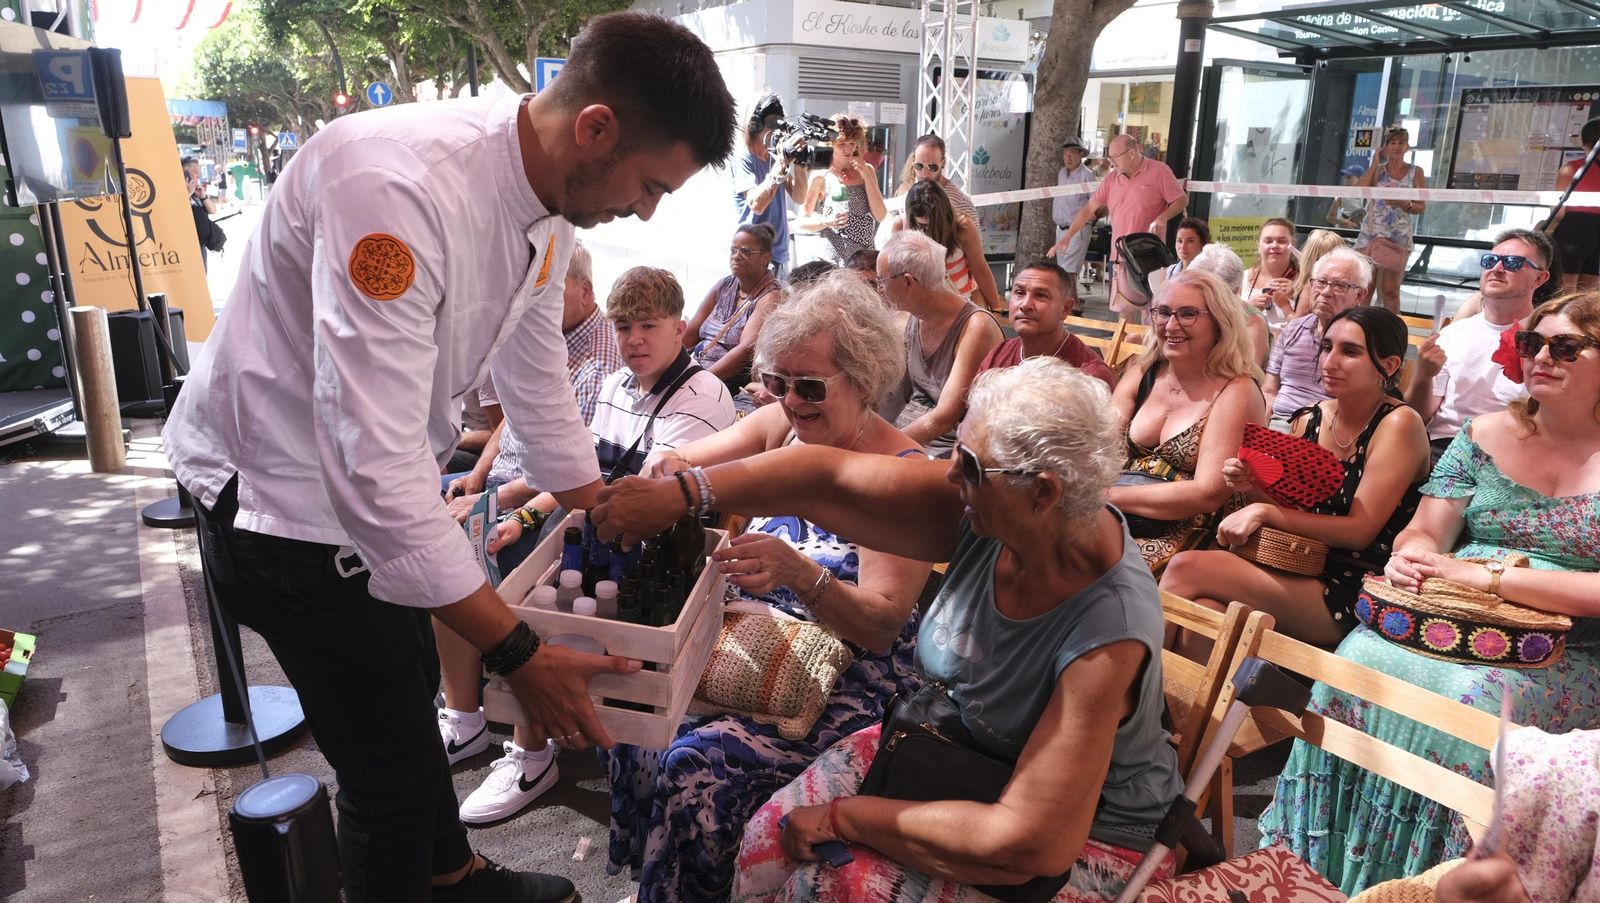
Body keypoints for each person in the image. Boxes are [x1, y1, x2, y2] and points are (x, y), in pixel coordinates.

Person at [160, 13, 737, 901]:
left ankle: (452, 873)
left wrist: (600, 498)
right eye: (651, 184)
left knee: (413, 678)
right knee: (386, 769)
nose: (646, 210)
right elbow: (377, 472)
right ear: (596, 128)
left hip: (367, 489)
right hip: (281, 507)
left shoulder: (546, 207)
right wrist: (519, 653)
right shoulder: (393, 186)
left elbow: (536, 375)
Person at [589, 357, 1184, 903]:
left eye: (968, 465)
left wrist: (847, 817)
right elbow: (824, 474)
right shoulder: (1002, 505)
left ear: (1044, 491)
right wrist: (683, 492)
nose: (949, 474)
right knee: (765, 844)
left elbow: (1026, 844)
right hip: (954, 748)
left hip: (1090, 833)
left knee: (827, 883)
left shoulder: (1107, 632)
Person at [603, 272, 931, 902]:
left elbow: (882, 624)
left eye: (809, 387)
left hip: (847, 671)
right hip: (749, 643)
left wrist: (800, 574)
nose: (790, 400)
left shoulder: (897, 478)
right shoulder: (784, 428)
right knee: (636, 708)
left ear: (863, 380)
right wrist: (670, 467)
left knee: (696, 766)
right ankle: (663, 871)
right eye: (777, 383)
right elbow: (696, 462)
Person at [1258, 293, 1600, 895]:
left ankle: (1428, 880)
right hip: (1449, 612)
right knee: (1357, 659)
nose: (1542, 356)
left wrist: (1490, 578)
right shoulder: (1485, 433)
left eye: (1566, 346)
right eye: (1532, 343)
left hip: (1568, 643)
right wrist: (1413, 552)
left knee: (1472, 695)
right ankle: (1321, 861)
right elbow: (1428, 527)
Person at [440, 267, 735, 825]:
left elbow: (642, 504)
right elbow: (584, 477)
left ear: (679, 327)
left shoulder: (703, 395)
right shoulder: (613, 384)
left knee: (537, 598)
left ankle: (531, 758)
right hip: (593, 530)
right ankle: (464, 717)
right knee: (453, 558)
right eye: (624, 327)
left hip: (655, 557)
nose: (635, 340)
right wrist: (521, 512)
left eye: (648, 325)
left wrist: (537, 521)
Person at [1161, 306, 1429, 646]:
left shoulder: (1398, 424)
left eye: (1350, 352)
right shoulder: (1311, 418)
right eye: (1327, 347)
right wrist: (1253, 487)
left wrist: (1265, 510)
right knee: (1206, 613)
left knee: (1187, 568)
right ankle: (1207, 700)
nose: (1330, 362)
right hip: (1298, 563)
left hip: (1358, 585)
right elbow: (1296, 512)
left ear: (1389, 366)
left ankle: (1131, 689)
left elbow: (1360, 533)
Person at [443, 242, 620, 522]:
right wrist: (477, 476)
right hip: (496, 481)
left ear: (584, 291)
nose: (531, 301)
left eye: (547, 291)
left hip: (528, 503)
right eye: (529, 289)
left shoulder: (598, 369)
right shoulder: (547, 333)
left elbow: (567, 469)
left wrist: (484, 499)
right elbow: (512, 414)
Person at [1108, 270, 1266, 573]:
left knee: (1101, 569)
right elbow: (1099, 448)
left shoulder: (1236, 390)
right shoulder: (1144, 373)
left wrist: (1107, 496)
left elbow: (1208, 493)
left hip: (1195, 531)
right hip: (1121, 516)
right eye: (1163, 312)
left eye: (1188, 314)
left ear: (1220, 322)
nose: (1171, 325)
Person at [1405, 229, 1551, 460]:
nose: (1497, 268)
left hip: (1513, 450)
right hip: (1445, 446)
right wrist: (1423, 376)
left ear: (1540, 278)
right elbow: (1417, 416)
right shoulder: (1453, 334)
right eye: (1490, 260)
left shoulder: (1547, 342)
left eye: (1512, 262)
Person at [875, 230, 1004, 453]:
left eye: (881, 280)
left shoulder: (975, 328)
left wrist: (880, 450)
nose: (879, 289)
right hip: (907, 437)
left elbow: (944, 418)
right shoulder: (911, 318)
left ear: (907, 283)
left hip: (947, 451)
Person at [1050, 133, 1189, 323]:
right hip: (1121, 257)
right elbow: (1089, 209)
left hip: (1150, 256)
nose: (1111, 161)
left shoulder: (1159, 171)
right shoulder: (1112, 179)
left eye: (1115, 156)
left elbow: (1181, 200)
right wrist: (1068, 236)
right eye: (1110, 156)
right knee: (1124, 312)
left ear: (1132, 153)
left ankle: (1149, 351)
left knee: (1152, 312)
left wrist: (1162, 218)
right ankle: (1127, 352)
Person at [1262, 248, 1374, 424]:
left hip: (1329, 431)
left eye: (1339, 285)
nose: (1326, 291)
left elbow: (1365, 404)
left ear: (1359, 295)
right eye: (1321, 282)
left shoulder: (1367, 339)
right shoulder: (1293, 330)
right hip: (1277, 424)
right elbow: (1269, 390)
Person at [977, 259, 1115, 388]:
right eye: (1019, 293)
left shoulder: (1090, 376)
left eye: (1041, 295)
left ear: (1066, 308)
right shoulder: (999, 355)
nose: (1025, 305)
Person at [684, 224, 784, 393]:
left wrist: (700, 380)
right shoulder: (725, 285)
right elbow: (690, 333)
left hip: (727, 385)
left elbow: (745, 351)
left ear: (766, 258)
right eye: (733, 250)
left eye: (746, 252)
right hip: (698, 372)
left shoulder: (770, 296)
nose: (736, 256)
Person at [894, 180, 1003, 314]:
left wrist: (996, 309)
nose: (927, 230)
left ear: (944, 216)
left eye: (932, 224)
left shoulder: (963, 228)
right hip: (919, 311)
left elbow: (980, 269)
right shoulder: (901, 226)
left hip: (959, 308)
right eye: (921, 225)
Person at [733, 93, 809, 278]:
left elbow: (799, 197)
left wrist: (799, 164)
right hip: (753, 256)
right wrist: (782, 164)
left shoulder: (775, 156)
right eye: (771, 124)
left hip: (779, 254)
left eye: (779, 123)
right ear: (754, 125)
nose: (776, 130)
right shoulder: (744, 158)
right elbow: (756, 205)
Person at [1353, 126, 1427, 313]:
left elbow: (1421, 206)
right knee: (1365, 286)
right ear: (1386, 147)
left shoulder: (1415, 172)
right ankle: (1360, 326)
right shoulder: (1378, 170)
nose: (1396, 146)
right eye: (1392, 142)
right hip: (1371, 233)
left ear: (1407, 147)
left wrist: (1403, 203)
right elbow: (1358, 190)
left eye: (1401, 143)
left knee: (1390, 289)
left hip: (1398, 236)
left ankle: (1391, 332)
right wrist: (1374, 162)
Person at [797, 115, 887, 264]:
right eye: (841, 144)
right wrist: (827, 221)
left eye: (852, 143)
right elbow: (801, 222)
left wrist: (865, 174)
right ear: (830, 144)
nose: (848, 149)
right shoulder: (820, 175)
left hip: (863, 257)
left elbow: (881, 215)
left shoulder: (867, 170)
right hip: (832, 258)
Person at [1544, 116, 1600, 292]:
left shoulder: (1571, 169)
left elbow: (1558, 212)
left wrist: (1545, 230)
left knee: (1565, 290)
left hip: (1574, 230)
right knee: (1587, 293)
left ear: (1583, 142)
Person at [894, 132, 979, 223]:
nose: (925, 174)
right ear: (913, 161)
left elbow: (973, 236)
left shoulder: (959, 203)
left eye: (932, 167)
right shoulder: (907, 196)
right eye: (919, 166)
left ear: (943, 163)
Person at [1053, 137, 1097, 298]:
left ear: (1080, 155)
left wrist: (1089, 219)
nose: (1068, 158)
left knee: (1069, 269)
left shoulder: (1087, 176)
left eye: (1072, 154)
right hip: (1061, 228)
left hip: (1078, 228)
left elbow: (1095, 202)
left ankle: (1070, 303)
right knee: (1063, 269)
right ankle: (1071, 302)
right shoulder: (1061, 174)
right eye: (1065, 154)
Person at [1242, 217, 1300, 329]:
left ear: (1292, 245)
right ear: (1258, 246)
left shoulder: (1303, 282)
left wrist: (1298, 294)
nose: (1274, 246)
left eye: (1282, 241)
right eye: (1268, 241)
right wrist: (1247, 307)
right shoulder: (1242, 278)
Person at [1291, 228, 1348, 317]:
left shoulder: (1312, 285)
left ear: (1308, 256)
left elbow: (1297, 323)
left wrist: (1284, 305)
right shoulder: (1344, 285)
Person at [1148, 216, 1209, 296]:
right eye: (1180, 241)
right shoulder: (1168, 272)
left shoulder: (1209, 275)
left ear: (1203, 244)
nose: (1183, 247)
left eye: (1190, 241)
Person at [183, 155, 221, 269]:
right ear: (185, 175)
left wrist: (203, 196)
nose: (198, 176)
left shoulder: (196, 193)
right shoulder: (179, 194)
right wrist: (188, 194)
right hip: (188, 246)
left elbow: (213, 210)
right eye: (195, 173)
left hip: (201, 245)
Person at [1327, 164, 1367, 231]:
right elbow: (1329, 218)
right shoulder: (1340, 195)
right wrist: (1344, 222)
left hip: (1360, 238)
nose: (1345, 180)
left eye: (1349, 177)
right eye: (1345, 177)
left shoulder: (1368, 196)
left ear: (1361, 179)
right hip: (1343, 237)